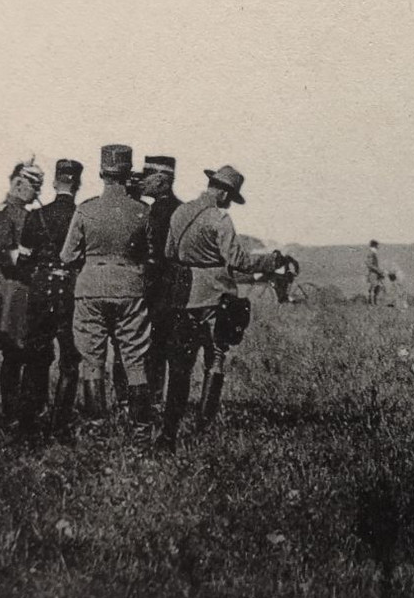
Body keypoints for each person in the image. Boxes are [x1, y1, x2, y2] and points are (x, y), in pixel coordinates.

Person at [161, 165, 280, 448]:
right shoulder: (220, 218)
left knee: (180, 367)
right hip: (216, 298)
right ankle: (203, 427)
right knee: (215, 357)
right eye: (231, 196)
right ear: (224, 192)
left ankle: (168, 432)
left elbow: (168, 252)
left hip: (183, 297)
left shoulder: (180, 213)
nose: (230, 202)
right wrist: (271, 261)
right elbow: (239, 260)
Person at [61, 144, 153, 423]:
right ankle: (139, 430)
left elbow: (67, 255)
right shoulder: (142, 211)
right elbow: (150, 254)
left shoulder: (86, 209)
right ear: (128, 174)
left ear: (102, 173)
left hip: (90, 289)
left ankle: (96, 429)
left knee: (92, 361)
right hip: (130, 290)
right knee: (135, 361)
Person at [0, 160, 50, 431]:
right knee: (13, 353)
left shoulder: (24, 212)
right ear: (19, 184)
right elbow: (3, 252)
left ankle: (27, 409)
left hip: (23, 288)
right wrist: (33, 256)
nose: (37, 192)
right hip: (11, 289)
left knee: (25, 353)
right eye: (34, 186)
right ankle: (12, 413)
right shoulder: (5, 213)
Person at [28, 158, 84, 434]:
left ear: (54, 182)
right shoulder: (83, 215)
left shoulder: (36, 215)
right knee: (70, 359)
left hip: (40, 290)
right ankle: (60, 424)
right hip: (71, 290)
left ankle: (31, 419)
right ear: (79, 184)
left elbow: (25, 258)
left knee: (36, 355)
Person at [139, 155, 183, 406]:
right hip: (176, 289)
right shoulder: (182, 209)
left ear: (161, 181)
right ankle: (160, 400)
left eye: (147, 178)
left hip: (155, 289)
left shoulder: (154, 212)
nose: (142, 183)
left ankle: (152, 401)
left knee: (153, 348)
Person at [365, 239, 385, 305]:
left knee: (376, 287)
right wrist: (379, 270)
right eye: (377, 247)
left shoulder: (372, 254)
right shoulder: (371, 254)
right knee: (373, 288)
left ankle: (374, 303)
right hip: (373, 274)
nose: (378, 248)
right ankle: (372, 304)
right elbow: (369, 264)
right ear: (374, 247)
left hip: (375, 273)